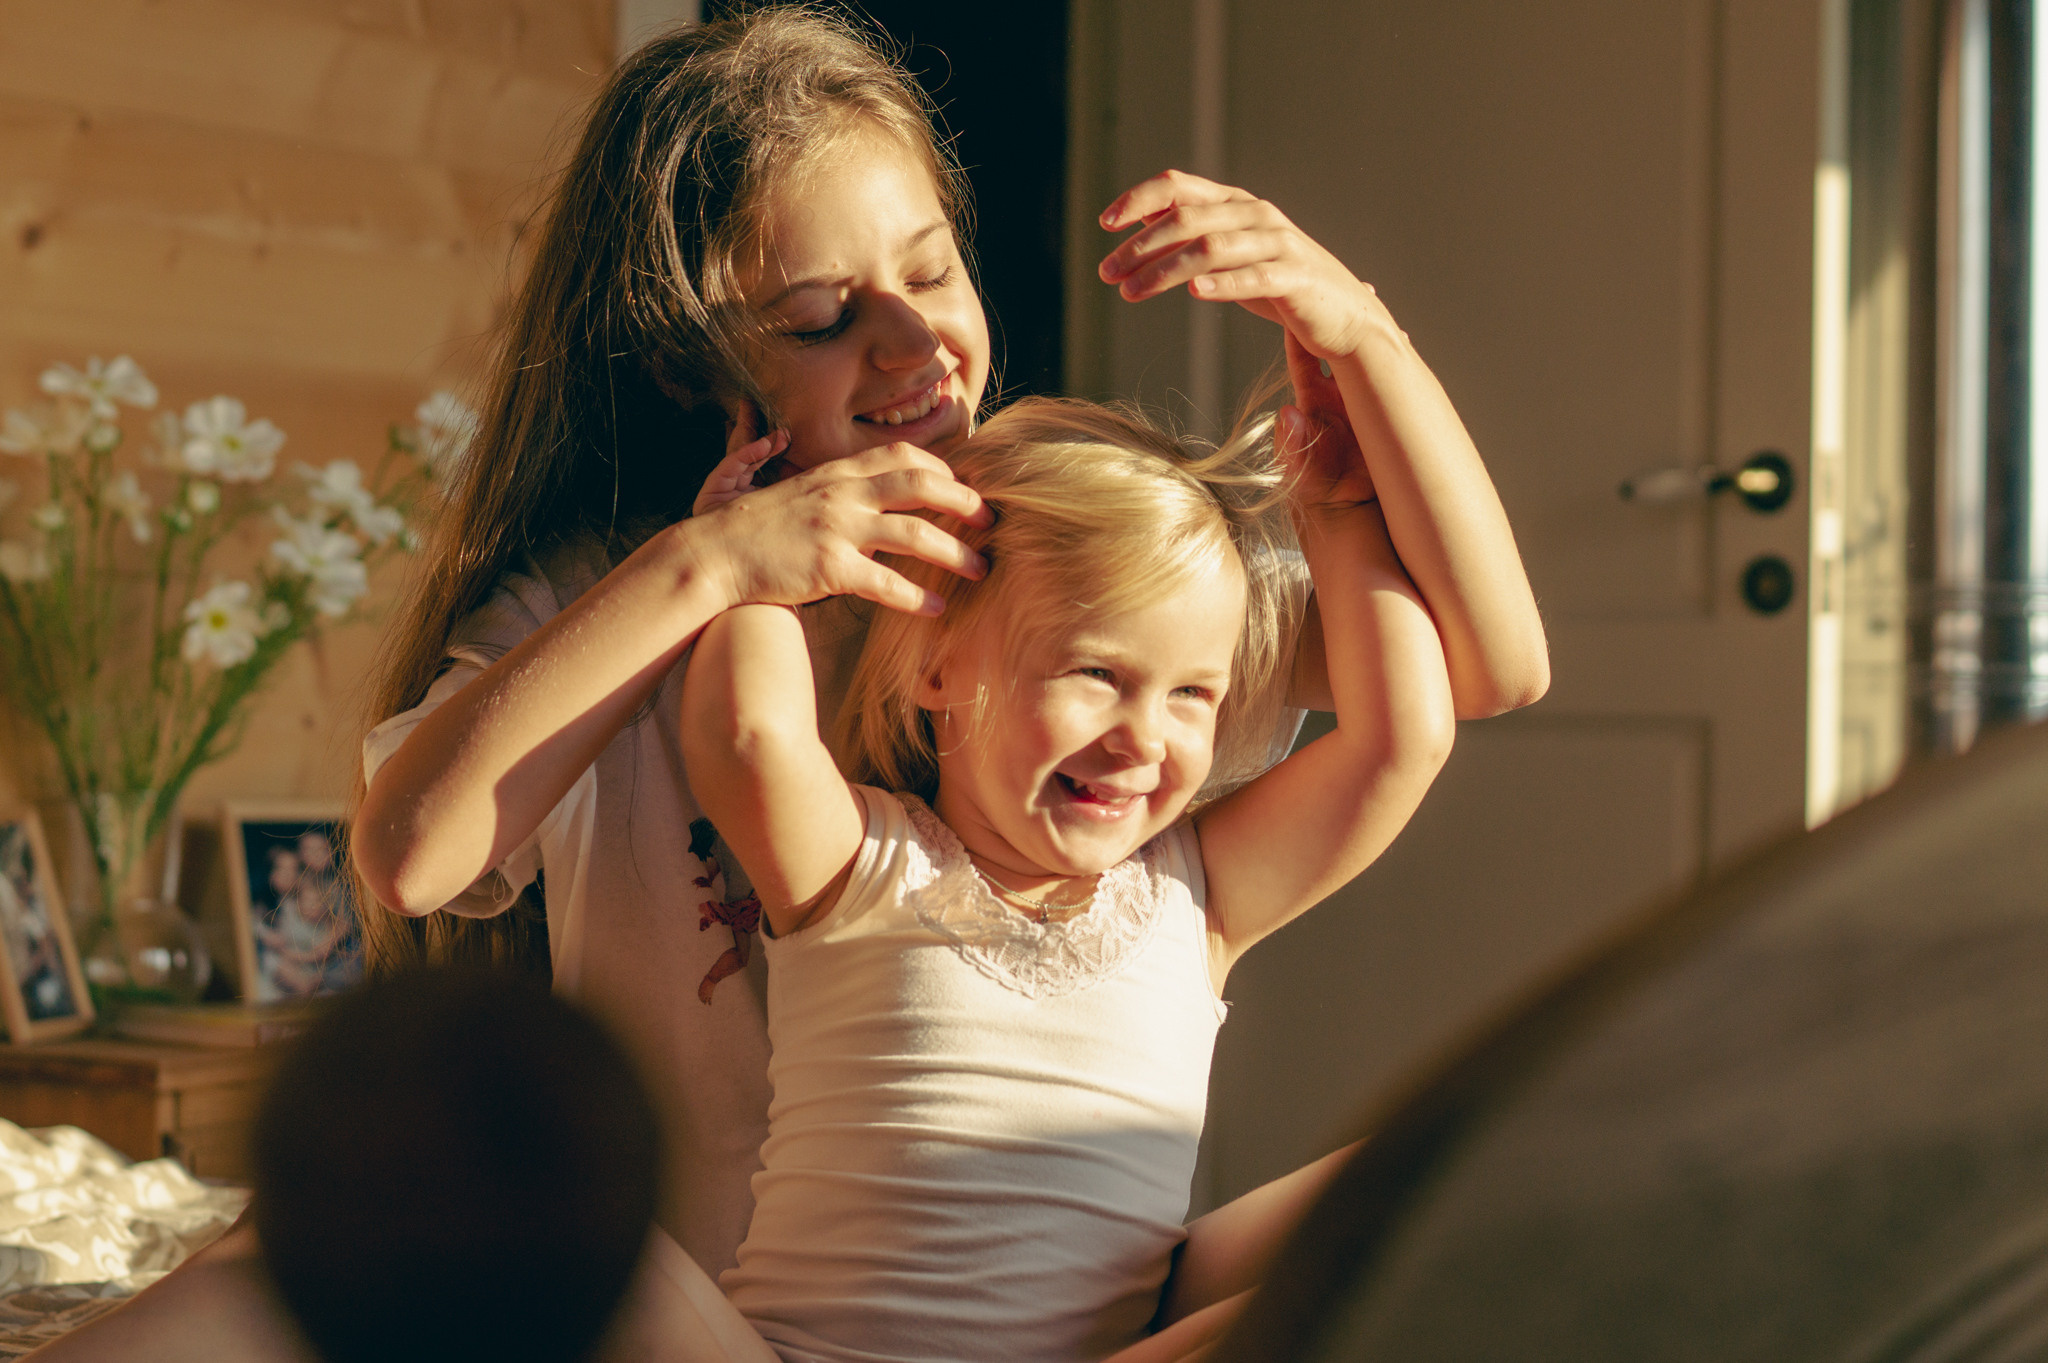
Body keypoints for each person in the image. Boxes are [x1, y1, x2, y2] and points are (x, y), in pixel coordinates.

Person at [27, 8, 1544, 1359]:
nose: (911, 346)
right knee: (296, 1247)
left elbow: (1490, 671)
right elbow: (416, 852)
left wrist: (1360, 335)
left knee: (1488, 1166)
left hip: (1075, 1292)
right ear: (692, 368)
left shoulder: (1056, 571)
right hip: (715, 1304)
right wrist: (717, 567)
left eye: (931, 271)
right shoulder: (611, 595)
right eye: (820, 321)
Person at [683, 389, 1455, 1362]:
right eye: (1095, 673)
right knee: (603, 1249)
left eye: (1190, 695)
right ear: (937, 662)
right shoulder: (862, 865)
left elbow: (1402, 738)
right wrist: (741, 553)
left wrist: (1340, 510)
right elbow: (746, 734)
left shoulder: (1195, 897)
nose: (1143, 736)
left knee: (1451, 1179)